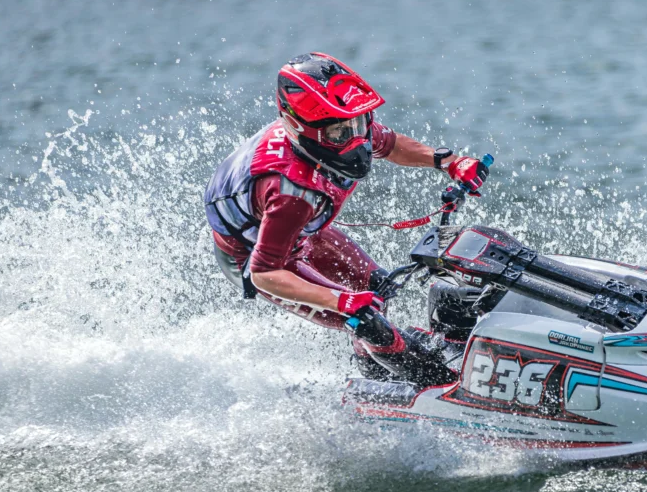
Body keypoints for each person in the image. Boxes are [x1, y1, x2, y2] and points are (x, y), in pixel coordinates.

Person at [204, 52, 490, 386]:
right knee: (365, 317)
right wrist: (341, 301)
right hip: (257, 257)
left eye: (360, 124)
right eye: (343, 134)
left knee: (377, 288)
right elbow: (264, 274)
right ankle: (435, 387)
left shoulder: (340, 127)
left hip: (304, 233)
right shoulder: (290, 194)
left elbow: (391, 144)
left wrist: (450, 163)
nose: (358, 142)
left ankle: (374, 375)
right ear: (303, 130)